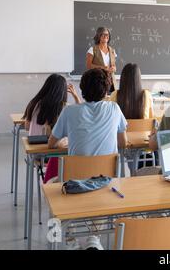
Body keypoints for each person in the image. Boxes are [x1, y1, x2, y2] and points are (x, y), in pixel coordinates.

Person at [48, 69, 127, 250]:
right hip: (106, 179)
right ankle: (93, 238)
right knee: (99, 187)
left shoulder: (69, 112)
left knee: (51, 184)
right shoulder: (114, 108)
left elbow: (52, 143)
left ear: (82, 89)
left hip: (73, 180)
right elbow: (123, 142)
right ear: (106, 90)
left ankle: (70, 238)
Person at [23, 74, 81, 183]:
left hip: (38, 155)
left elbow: (26, 127)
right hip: (58, 155)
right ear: (63, 91)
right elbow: (81, 115)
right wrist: (76, 97)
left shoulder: (34, 104)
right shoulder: (64, 107)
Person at [85, 27, 117, 94]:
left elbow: (114, 66)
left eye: (107, 34)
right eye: (103, 34)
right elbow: (88, 66)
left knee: (110, 102)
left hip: (110, 82)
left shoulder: (112, 50)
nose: (106, 36)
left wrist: (113, 69)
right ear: (98, 36)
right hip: (97, 81)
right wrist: (103, 68)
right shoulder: (92, 50)